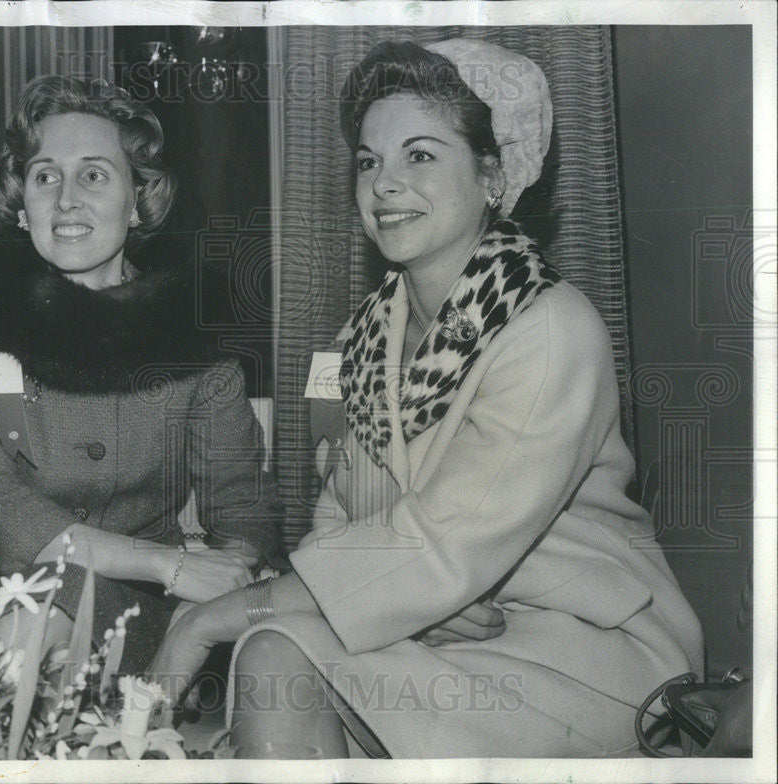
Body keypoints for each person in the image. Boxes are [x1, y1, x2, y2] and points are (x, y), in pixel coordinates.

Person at [149, 39, 703, 757]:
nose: (384, 184)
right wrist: (406, 601)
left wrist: (204, 620)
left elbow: (446, 541)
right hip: (443, 624)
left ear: (495, 174)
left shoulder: (551, 328)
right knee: (274, 652)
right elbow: (343, 526)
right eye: (369, 161)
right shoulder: (361, 337)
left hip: (581, 648)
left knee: (258, 640)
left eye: (420, 155)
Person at [0, 75, 283, 674]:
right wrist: (167, 563)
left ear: (138, 200)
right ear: (21, 204)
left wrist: (223, 585)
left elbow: (242, 500)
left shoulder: (189, 332)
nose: (66, 200)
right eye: (45, 176)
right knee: (19, 642)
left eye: (93, 174)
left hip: (149, 612)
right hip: (8, 600)